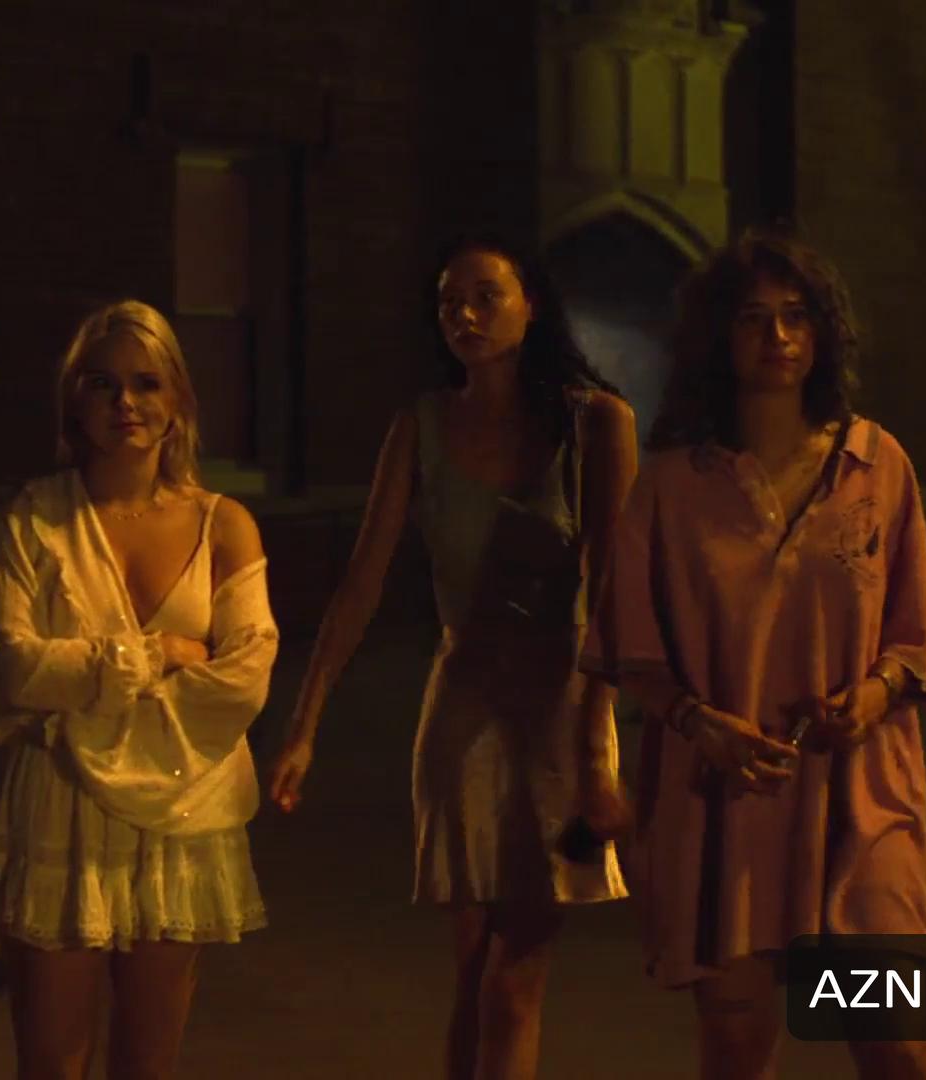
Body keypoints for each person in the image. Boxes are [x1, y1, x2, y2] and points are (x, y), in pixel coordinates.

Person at [585, 226, 926, 1079]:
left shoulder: (875, 465)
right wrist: (698, 721)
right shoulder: (673, 485)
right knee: (737, 1052)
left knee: (897, 1045)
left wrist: (873, 693)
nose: (777, 336)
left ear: (822, 332)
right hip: (725, 802)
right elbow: (630, 648)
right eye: (753, 318)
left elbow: (913, 636)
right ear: (720, 335)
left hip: (861, 794)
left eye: (795, 315)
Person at [268, 236, 635, 1080]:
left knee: (515, 978)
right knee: (471, 976)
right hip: (461, 699)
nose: (465, 315)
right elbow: (360, 583)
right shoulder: (422, 426)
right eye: (448, 302)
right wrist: (304, 727)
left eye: (485, 296)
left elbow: (613, 592)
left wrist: (596, 747)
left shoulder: (595, 422)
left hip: (558, 707)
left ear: (531, 305)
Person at [0, 300, 276, 1080]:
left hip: (184, 803)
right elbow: (20, 668)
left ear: (178, 399)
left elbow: (245, 677)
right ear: (74, 400)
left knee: (148, 1063)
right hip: (63, 798)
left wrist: (87, 684)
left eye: (146, 383)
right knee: (52, 1062)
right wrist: (157, 654)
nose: (125, 402)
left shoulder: (223, 525)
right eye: (102, 383)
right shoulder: (31, 521)